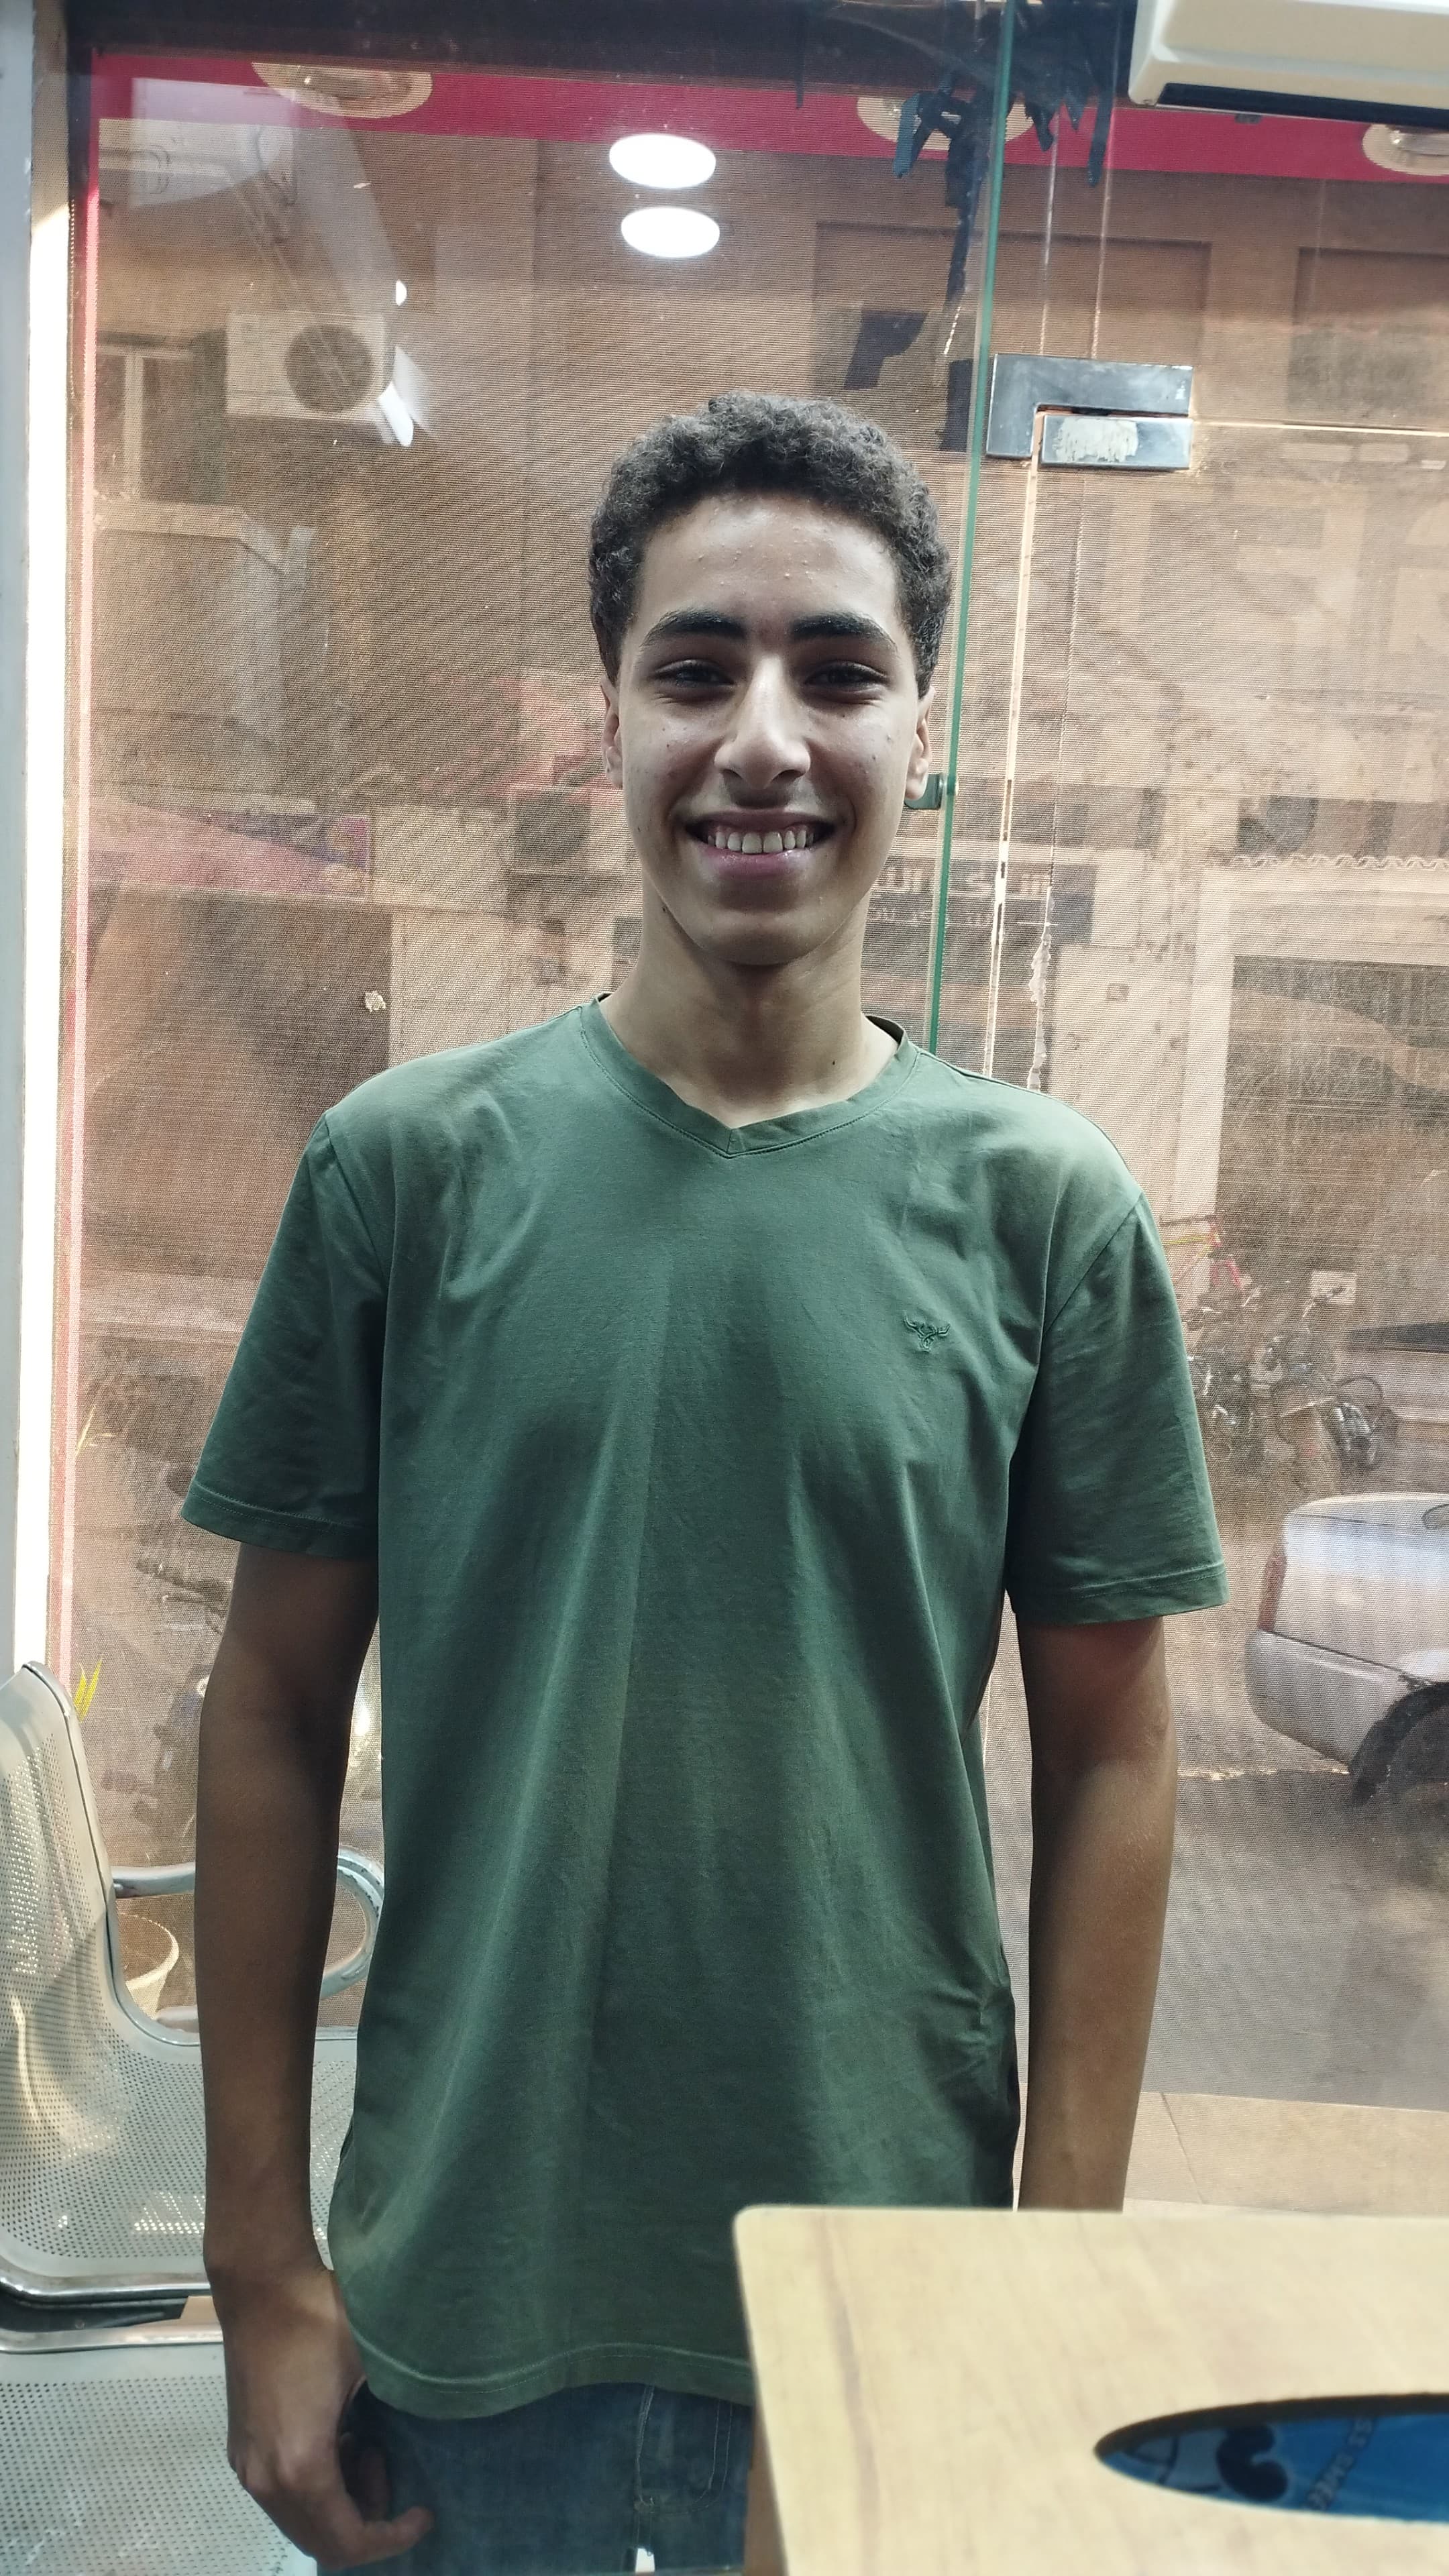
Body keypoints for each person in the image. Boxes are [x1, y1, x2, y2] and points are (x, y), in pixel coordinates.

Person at [183, 390, 1227, 2576]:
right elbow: (269, 1709)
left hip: (878, 2298)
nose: (765, 738)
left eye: (836, 673)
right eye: (697, 669)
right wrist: (261, 2264)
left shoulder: (1045, 1210)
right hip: (462, 2315)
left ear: (921, 731)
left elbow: (1118, 1753)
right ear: (613, 721)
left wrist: (1054, 2284)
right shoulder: (405, 1175)